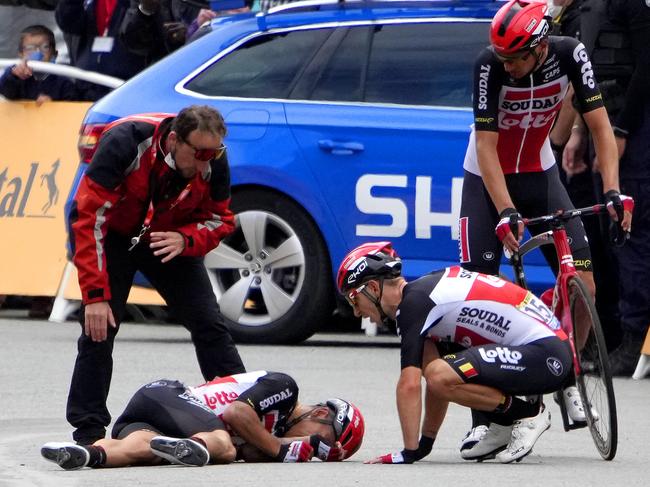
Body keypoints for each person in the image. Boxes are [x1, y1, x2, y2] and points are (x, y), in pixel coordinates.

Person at [457, 0, 633, 456]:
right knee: (479, 294)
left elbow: (599, 126)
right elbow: (487, 147)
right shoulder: (488, 66)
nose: (508, 66)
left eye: (516, 58)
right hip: (486, 180)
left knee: (585, 282)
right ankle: (490, 417)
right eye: (503, 58)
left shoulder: (571, 53)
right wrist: (504, 211)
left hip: (541, 174)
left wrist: (613, 190)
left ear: (539, 47)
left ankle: (564, 370)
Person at [66, 105, 245, 446]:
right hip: (114, 235)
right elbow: (88, 217)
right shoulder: (124, 142)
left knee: (209, 322)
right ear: (175, 140)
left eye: (216, 152)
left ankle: (243, 414)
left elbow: (221, 220)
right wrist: (94, 295)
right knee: (99, 326)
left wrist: (188, 238)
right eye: (201, 153)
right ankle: (89, 432)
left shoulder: (213, 163)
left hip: (169, 237)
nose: (207, 163)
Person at [338, 242, 573, 464]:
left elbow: (409, 385)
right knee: (438, 372)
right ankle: (503, 424)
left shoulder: (414, 304)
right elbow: (434, 380)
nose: (357, 312)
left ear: (372, 287)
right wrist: (423, 446)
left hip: (546, 353)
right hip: (542, 350)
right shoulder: (419, 296)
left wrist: (407, 454)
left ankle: (529, 414)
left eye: (353, 300)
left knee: (440, 375)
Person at [41, 370, 365, 469]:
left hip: (154, 420)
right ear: (322, 414)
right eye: (324, 441)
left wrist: (294, 447)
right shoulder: (285, 389)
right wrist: (282, 450)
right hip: (167, 395)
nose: (316, 448)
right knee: (222, 446)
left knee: (141, 448)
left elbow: (249, 453)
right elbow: (237, 414)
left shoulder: (274, 432)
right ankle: (190, 446)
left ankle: (89, 454)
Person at [601, 0, 650, 376]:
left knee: (630, 229)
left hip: (633, 132)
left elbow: (644, 65)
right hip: (619, 125)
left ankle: (635, 341)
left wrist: (623, 128)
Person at [55, 0, 149, 100]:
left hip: (128, 89)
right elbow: (69, 24)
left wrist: (145, 10)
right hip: (85, 88)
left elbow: (140, 37)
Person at [0, 24, 76, 103]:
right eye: (30, 48)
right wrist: (14, 74)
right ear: (21, 54)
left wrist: (53, 105)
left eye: (45, 47)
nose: (38, 53)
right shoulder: (17, 77)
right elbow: (5, 91)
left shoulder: (64, 83)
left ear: (54, 54)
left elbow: (74, 108)